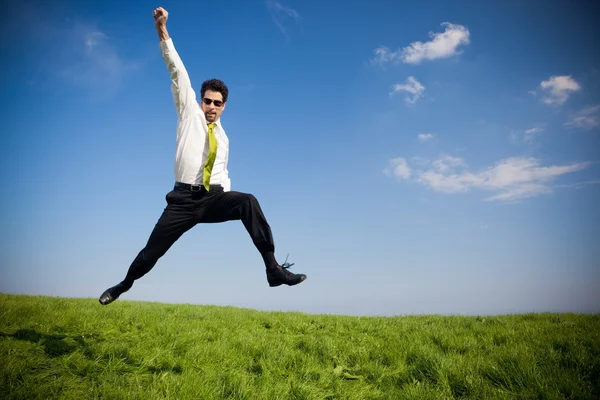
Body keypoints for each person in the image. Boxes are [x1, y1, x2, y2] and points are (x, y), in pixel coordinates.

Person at [99, 6, 307, 306]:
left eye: (217, 103)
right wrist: (161, 29)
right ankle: (124, 284)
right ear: (200, 100)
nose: (211, 106)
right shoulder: (188, 114)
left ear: (224, 106)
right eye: (207, 101)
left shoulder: (223, 137)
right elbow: (176, 69)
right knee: (151, 253)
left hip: (212, 198)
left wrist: (226, 198)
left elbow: (221, 172)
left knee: (248, 200)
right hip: (183, 201)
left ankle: (273, 269)